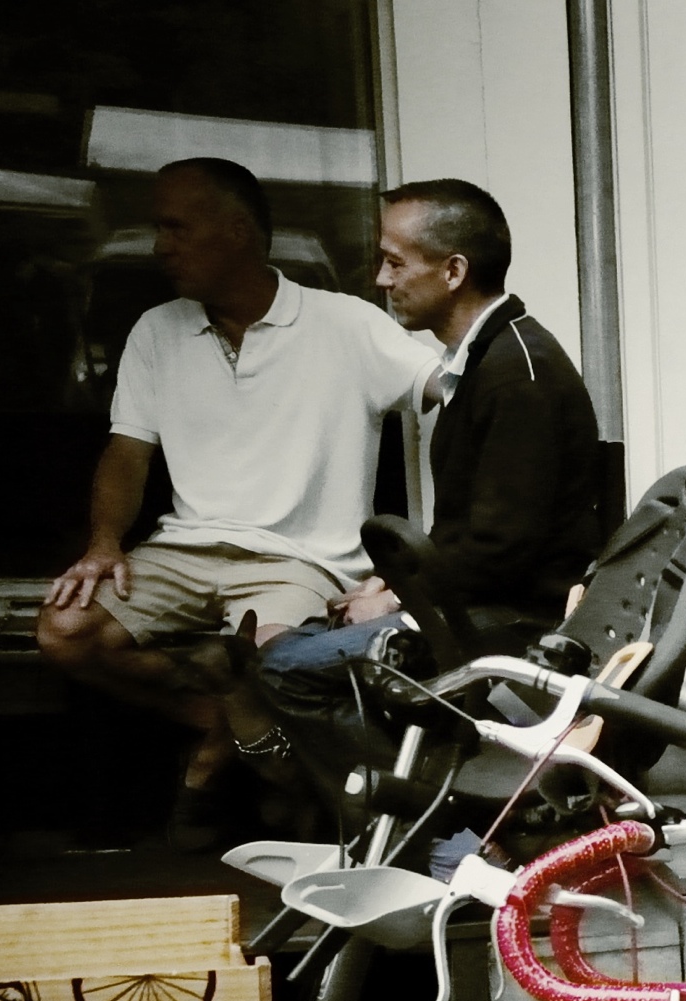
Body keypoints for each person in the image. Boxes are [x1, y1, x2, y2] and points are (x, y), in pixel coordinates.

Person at [36, 157, 441, 847]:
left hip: (300, 559)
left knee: (282, 666)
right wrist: (104, 543)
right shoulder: (157, 330)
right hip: (185, 547)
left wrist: (420, 557)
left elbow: (458, 398)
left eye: (176, 227)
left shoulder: (344, 324)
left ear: (237, 232)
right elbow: (127, 453)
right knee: (64, 632)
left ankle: (271, 786)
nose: (161, 246)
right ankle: (216, 715)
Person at [255, 178, 604, 772]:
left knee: (284, 668)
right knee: (287, 646)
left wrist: (396, 599)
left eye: (394, 262)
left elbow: (501, 552)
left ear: (453, 271)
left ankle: (431, 833)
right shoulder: (490, 355)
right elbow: (475, 532)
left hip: (514, 623)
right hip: (486, 605)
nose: (381, 280)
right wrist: (390, 586)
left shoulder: (518, 375)